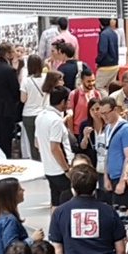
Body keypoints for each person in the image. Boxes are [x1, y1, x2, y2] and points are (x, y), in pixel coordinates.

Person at [38, 86, 75, 214]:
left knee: (55, 202)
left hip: (48, 168)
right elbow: (55, 148)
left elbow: (37, 143)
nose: (69, 104)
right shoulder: (56, 121)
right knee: (67, 205)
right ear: (62, 102)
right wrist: (66, 169)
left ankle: (54, 230)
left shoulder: (40, 116)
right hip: (60, 169)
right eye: (68, 101)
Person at [0, 42, 24, 158]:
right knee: (6, 134)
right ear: (8, 54)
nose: (14, 54)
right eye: (13, 51)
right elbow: (15, 90)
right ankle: (5, 156)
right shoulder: (9, 70)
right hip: (6, 107)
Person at [101, 99, 128, 205]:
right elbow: (106, 153)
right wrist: (106, 176)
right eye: (102, 114)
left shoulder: (126, 129)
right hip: (111, 176)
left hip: (121, 177)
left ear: (115, 110)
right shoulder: (108, 128)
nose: (104, 117)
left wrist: (123, 181)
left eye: (106, 113)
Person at [19, 55, 49, 161]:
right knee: (44, 141)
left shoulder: (26, 81)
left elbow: (23, 99)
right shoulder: (46, 77)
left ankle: (37, 164)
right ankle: (46, 162)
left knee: (33, 143)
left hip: (29, 115)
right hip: (43, 113)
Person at [95, 18, 120, 89]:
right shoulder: (114, 33)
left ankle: (106, 100)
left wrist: (97, 60)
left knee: (99, 87)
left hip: (105, 66)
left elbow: (103, 51)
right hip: (115, 65)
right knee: (111, 88)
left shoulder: (103, 34)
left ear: (100, 23)